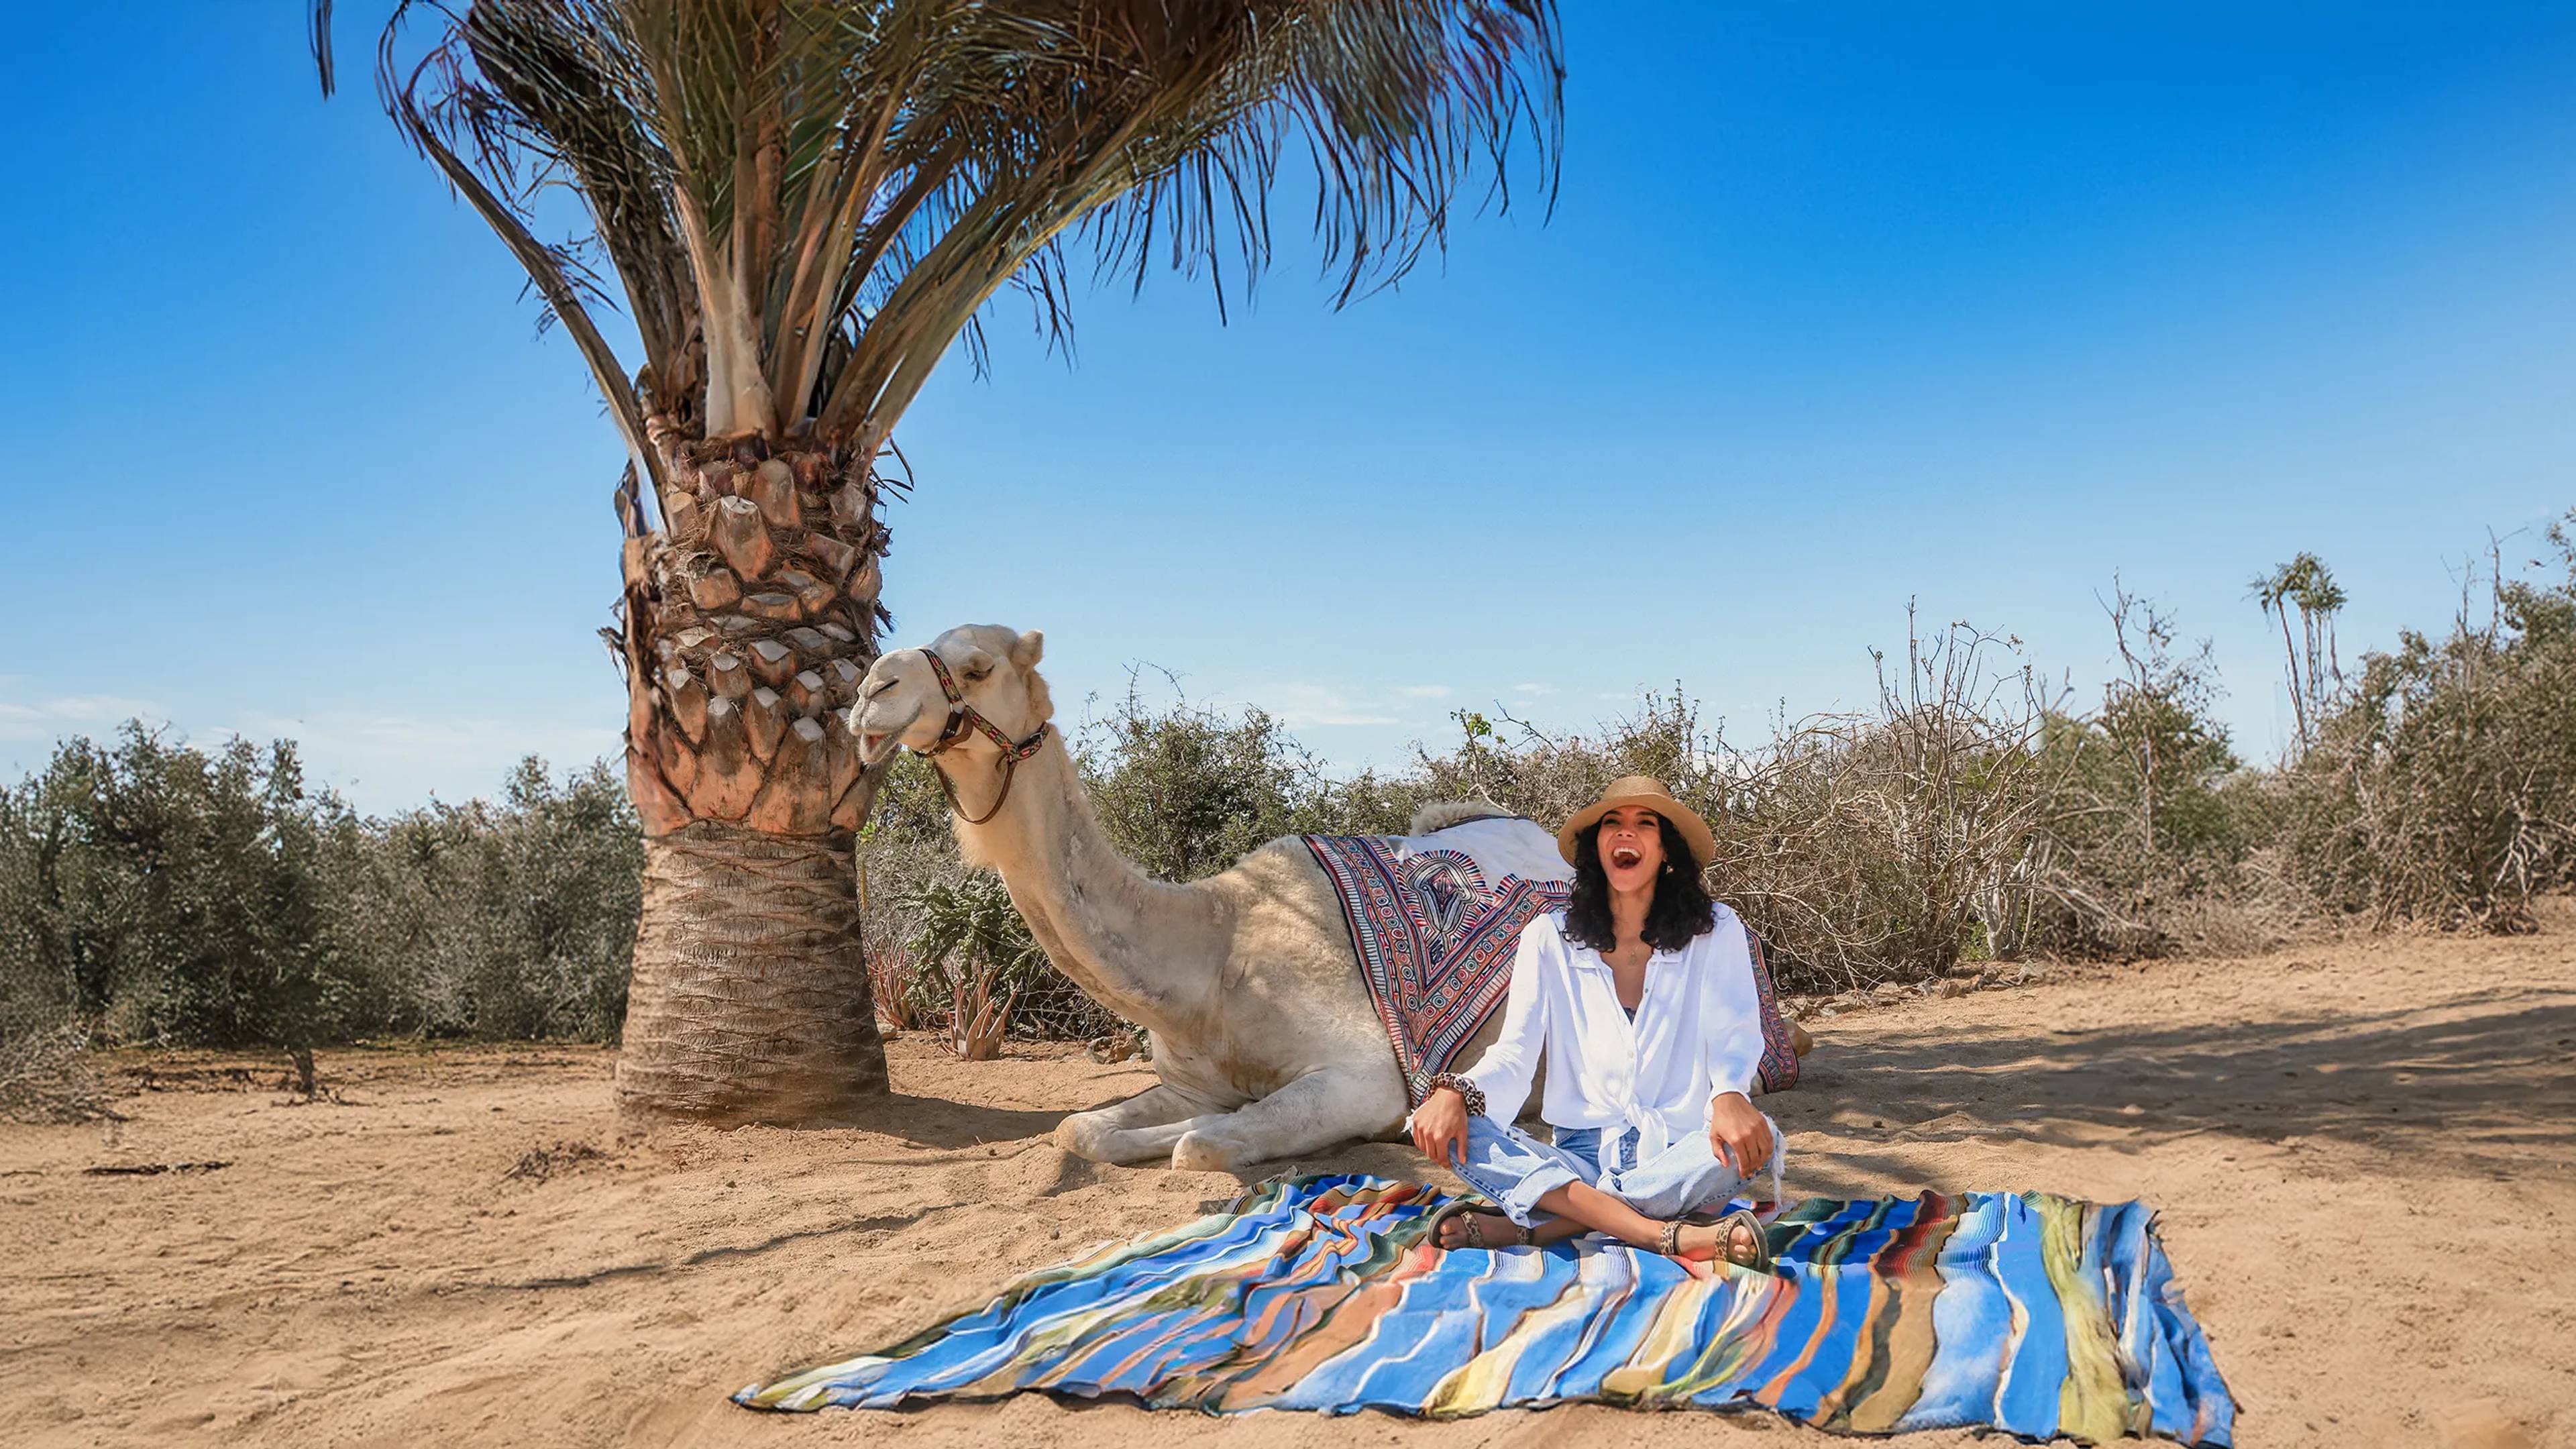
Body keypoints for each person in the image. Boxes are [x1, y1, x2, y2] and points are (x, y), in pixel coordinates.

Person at [1409, 776, 1781, 1267]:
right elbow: (1514, 1053)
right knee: (1449, 1124)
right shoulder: (1548, 936)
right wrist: (1455, 1091)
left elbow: (1734, 1033)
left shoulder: (1717, 930)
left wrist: (1730, 1093)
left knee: (1761, 1139)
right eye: (1613, 823)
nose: (1626, 833)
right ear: (1597, 847)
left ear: (1666, 849)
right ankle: (1661, 1233)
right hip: (1577, 1157)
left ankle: (1549, 1225)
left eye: (1645, 824)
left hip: (1676, 1149)